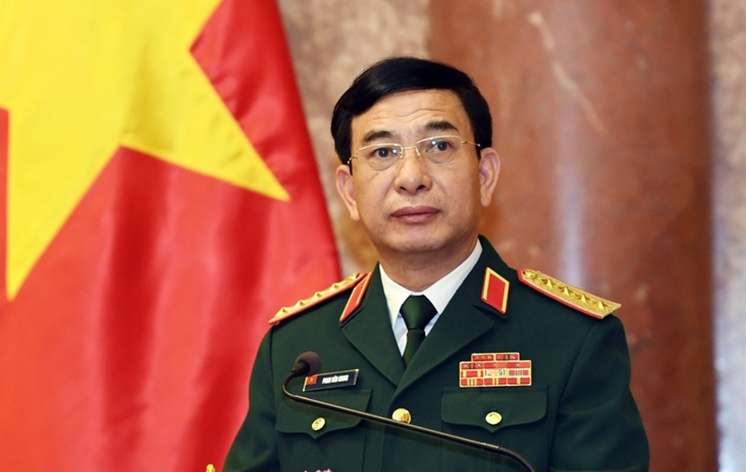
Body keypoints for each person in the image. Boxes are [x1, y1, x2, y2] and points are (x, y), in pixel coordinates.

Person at [223, 56, 649, 472]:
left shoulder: (571, 338)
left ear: (485, 175)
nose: (411, 177)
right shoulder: (297, 348)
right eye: (383, 152)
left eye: (439, 146)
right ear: (350, 192)